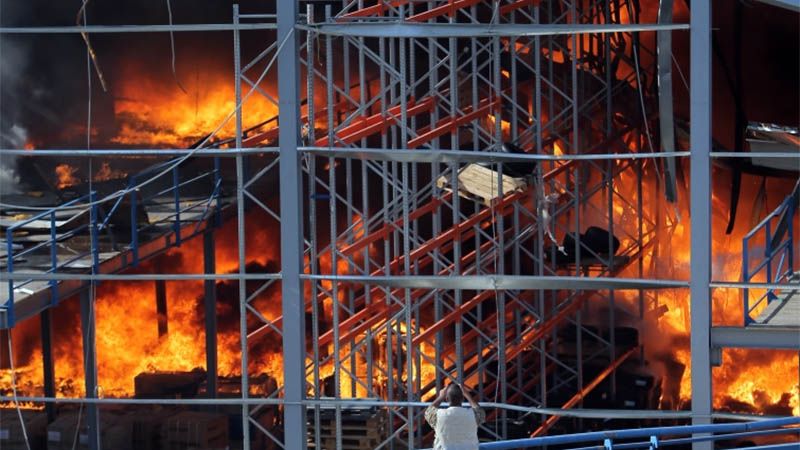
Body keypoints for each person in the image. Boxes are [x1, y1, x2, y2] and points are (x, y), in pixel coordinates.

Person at [424, 383, 485, 450]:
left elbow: (428, 412)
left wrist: (441, 397)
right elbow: (481, 413)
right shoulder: (472, 414)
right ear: (462, 398)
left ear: (447, 399)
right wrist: (468, 395)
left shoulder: (439, 415)